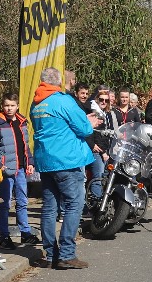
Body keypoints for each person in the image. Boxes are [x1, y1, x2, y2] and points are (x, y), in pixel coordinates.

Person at [30, 66, 101, 270]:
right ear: (59, 82)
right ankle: (67, 254)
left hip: (46, 160)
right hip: (67, 160)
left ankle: (51, 254)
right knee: (74, 204)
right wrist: (89, 121)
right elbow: (84, 128)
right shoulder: (63, 100)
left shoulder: (36, 103)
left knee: (49, 207)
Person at [0, 97, 35, 247]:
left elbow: (26, 146)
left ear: (17, 106)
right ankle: (4, 237)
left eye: (12, 105)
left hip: (21, 169)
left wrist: (30, 162)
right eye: (6, 105)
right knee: (5, 203)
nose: (9, 108)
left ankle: (25, 233)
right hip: (6, 170)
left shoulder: (22, 121)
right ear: (2, 106)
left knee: (22, 201)